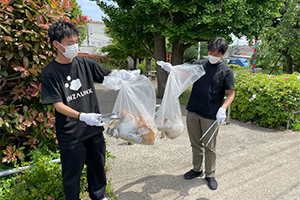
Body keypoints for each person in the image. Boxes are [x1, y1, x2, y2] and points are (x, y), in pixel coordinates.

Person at [41, 20, 129, 200]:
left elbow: (108, 74)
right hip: (71, 134)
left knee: (97, 167)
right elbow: (58, 105)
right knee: (72, 174)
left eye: (76, 42)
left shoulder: (84, 64)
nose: (75, 46)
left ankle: (99, 196)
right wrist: (82, 116)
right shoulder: (50, 72)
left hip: (93, 129)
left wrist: (124, 75)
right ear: (56, 44)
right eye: (70, 43)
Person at [161, 37, 235, 190]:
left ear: (223, 54)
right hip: (193, 110)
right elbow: (183, 72)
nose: (211, 55)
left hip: (211, 114)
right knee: (195, 144)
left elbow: (231, 94)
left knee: (210, 147)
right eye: (210, 51)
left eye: (215, 53)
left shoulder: (226, 71)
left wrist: (223, 109)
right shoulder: (200, 65)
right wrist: (172, 69)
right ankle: (196, 169)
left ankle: (210, 174)